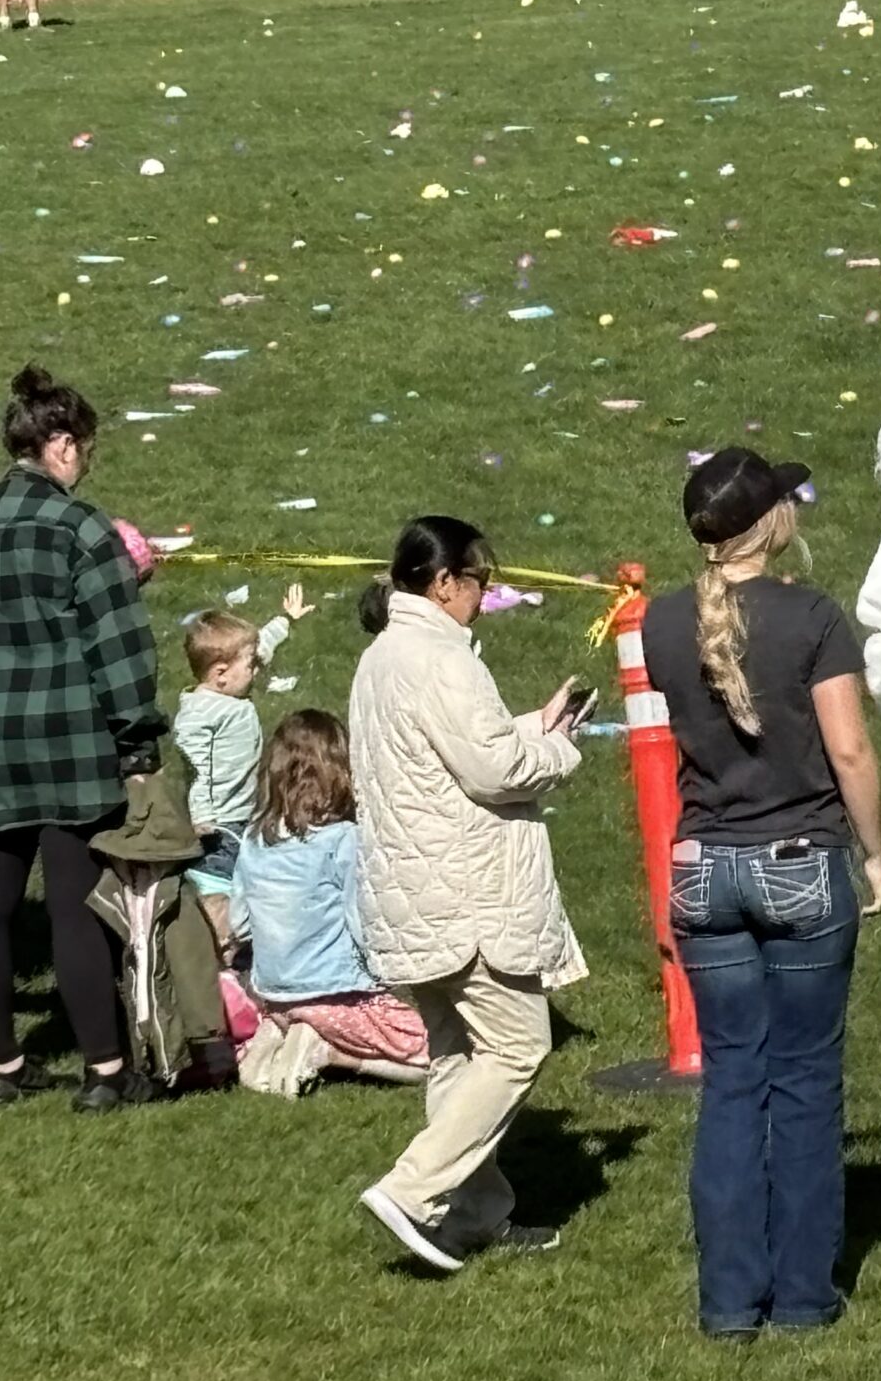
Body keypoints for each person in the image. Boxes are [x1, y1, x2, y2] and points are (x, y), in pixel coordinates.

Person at [640, 448, 881, 1339]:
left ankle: (726, 1302)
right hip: (800, 861)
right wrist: (878, 855)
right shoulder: (812, 618)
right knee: (802, 1079)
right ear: (773, 523)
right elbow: (852, 752)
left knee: (732, 1083)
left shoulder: (660, 623)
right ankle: (800, 1297)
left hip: (704, 865)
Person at [0, 366, 164, 1109]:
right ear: (62, 445)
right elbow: (120, 650)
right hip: (71, 738)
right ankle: (105, 1073)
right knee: (76, 904)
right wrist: (138, 737)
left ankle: (4, 1070)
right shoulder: (82, 530)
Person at [351, 515, 586, 1274]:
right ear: (445, 582)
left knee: (458, 1054)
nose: (487, 592)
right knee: (519, 1044)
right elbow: (492, 773)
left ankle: (474, 1212)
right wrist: (558, 748)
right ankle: (414, 1190)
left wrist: (529, 724)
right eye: (481, 577)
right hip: (466, 891)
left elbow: (451, 748)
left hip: (410, 889)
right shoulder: (440, 657)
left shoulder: (385, 655)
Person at [230, 709, 432, 1095]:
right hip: (336, 993)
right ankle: (330, 1052)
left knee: (292, 1015)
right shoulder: (342, 839)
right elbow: (363, 921)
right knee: (438, 1053)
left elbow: (239, 923)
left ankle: (272, 1039)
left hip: (274, 994)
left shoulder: (254, 838)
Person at [173, 588, 312, 958]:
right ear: (221, 674)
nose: (257, 669)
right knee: (216, 892)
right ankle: (216, 958)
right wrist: (202, 814)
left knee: (244, 889)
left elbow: (258, 648)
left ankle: (240, 950)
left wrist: (285, 621)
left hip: (244, 814)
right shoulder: (199, 714)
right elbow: (194, 766)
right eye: (249, 666)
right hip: (218, 825)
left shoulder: (228, 687)